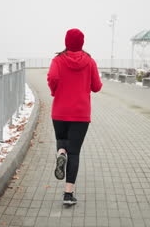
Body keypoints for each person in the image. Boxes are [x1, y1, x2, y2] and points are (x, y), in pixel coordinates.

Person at [47, 28, 102, 205]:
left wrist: (56, 91)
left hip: (60, 111)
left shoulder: (57, 60)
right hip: (81, 114)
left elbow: (52, 77)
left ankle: (61, 153)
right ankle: (68, 194)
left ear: (66, 42)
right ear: (82, 43)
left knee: (62, 141)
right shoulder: (90, 61)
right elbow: (97, 86)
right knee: (75, 153)